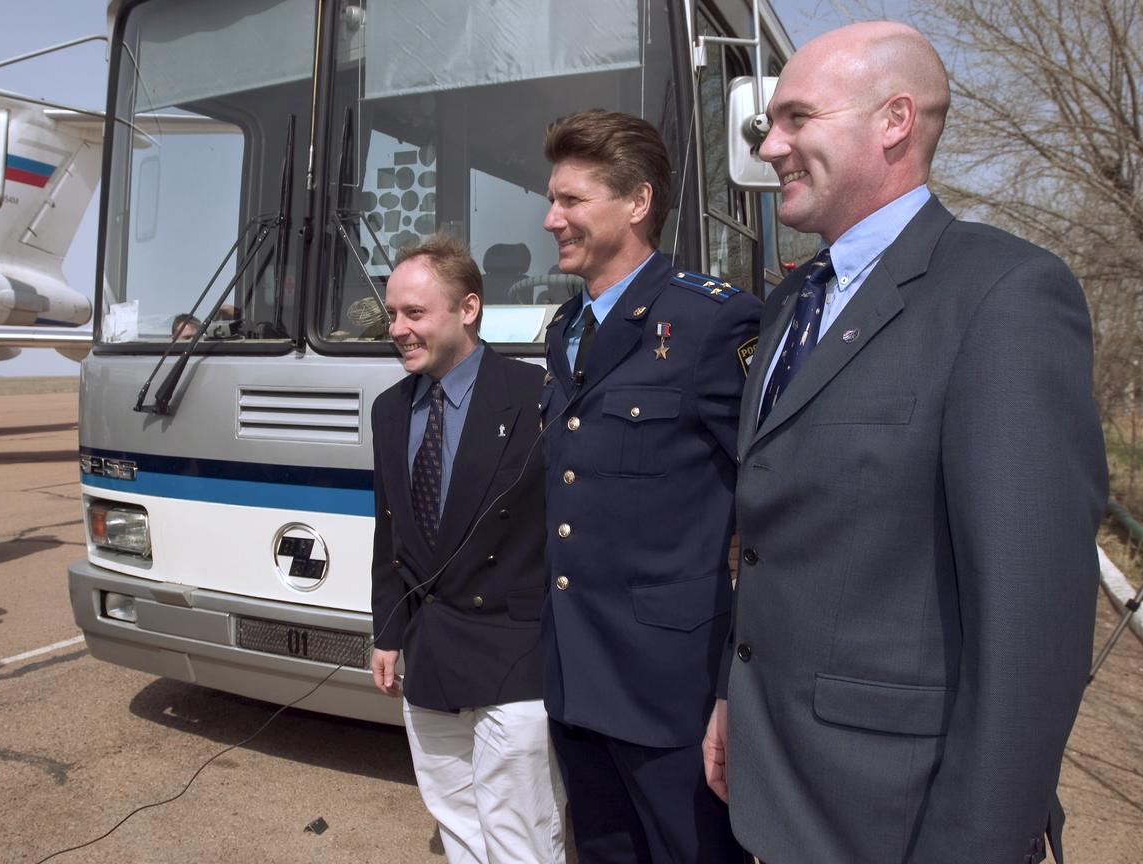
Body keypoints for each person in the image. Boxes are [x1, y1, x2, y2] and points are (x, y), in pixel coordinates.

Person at [701, 22, 1108, 864]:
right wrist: (732, 700)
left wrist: (977, 844)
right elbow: (774, 544)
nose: (771, 145)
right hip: (774, 791)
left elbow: (1032, 624)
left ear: (893, 121)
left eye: (796, 117)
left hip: (898, 816)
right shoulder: (789, 307)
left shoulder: (1004, 295)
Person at [538, 109, 760, 863]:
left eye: (571, 200)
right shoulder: (566, 328)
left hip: (671, 695)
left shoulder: (710, 324)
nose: (551, 218)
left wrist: (740, 684)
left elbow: (768, 505)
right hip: (577, 678)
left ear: (636, 203)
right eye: (552, 199)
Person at [369, 234, 566, 863]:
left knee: (521, 835)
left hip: (517, 657)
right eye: (392, 314)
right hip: (431, 657)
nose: (398, 329)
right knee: (457, 823)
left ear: (468, 309)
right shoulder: (389, 410)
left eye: (415, 314)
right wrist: (387, 631)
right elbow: (391, 530)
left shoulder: (537, 395)